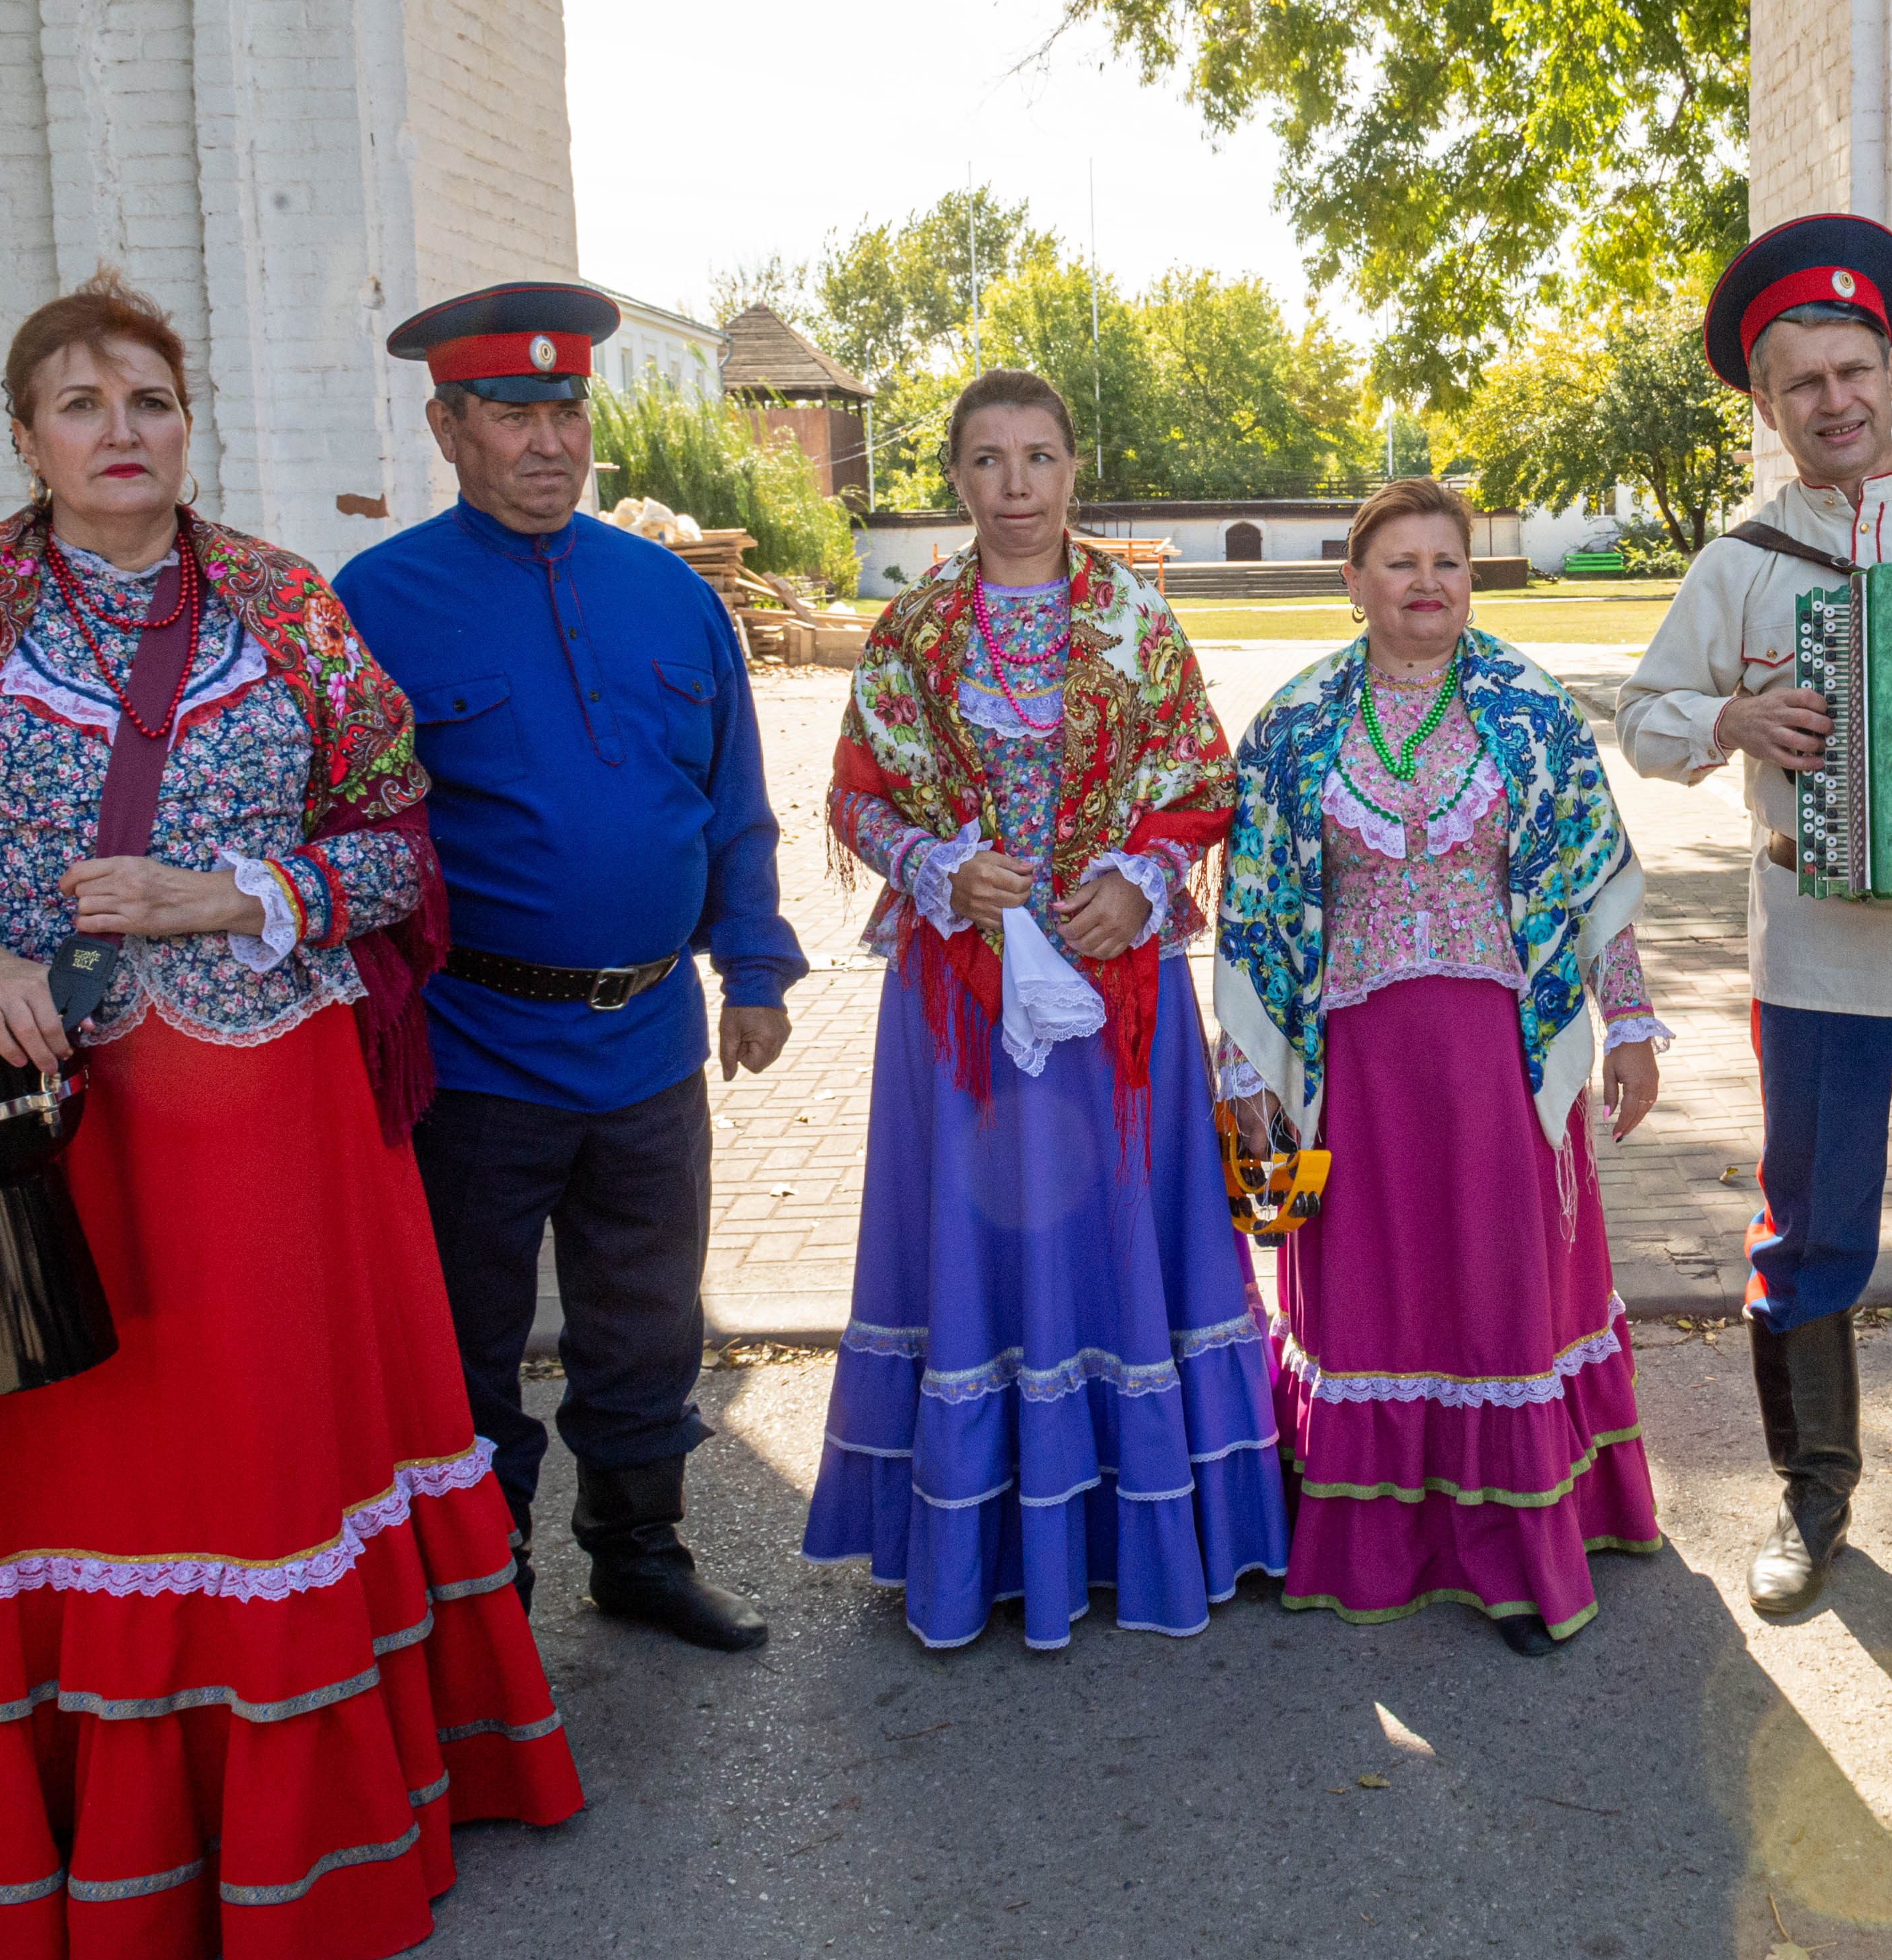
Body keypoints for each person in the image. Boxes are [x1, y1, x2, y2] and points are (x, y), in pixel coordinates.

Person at [0, 271, 582, 1960]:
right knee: (84, 1468)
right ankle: (92, 1869)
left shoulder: (289, 612)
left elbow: (396, 851)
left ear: (188, 421)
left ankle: (308, 1845)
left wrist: (224, 891)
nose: (120, 431)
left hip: (276, 1143)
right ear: (23, 439)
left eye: (147, 399)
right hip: (48, 1135)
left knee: (266, 1471)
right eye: (81, 405)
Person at [1614, 215, 1892, 1622]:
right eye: (1803, 381)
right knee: (1808, 1229)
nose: (1837, 400)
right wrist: (1731, 714)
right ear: (1767, 405)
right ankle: (1813, 1495)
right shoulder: (1743, 561)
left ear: (1889, 370)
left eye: (1855, 367)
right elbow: (1641, 717)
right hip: (1812, 956)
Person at [337, 283, 801, 1655]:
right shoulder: (378, 604)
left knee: (649, 1317)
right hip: (479, 1050)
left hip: (652, 1039)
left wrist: (757, 965)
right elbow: (353, 829)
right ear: (448, 424)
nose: (549, 441)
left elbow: (731, 794)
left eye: (566, 409)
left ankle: (639, 1551)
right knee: (475, 1343)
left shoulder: (667, 593)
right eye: (512, 413)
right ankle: (487, 1602)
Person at [802, 368, 1286, 1646]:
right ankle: (986, 1535)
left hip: (1113, 989)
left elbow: (1199, 779)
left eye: (1037, 458)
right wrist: (936, 868)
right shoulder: (911, 632)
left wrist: (1140, 882)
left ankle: (1147, 1523)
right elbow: (856, 793)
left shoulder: (1137, 620)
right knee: (973, 1246)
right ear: (954, 478)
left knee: (1123, 1236)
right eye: (985, 460)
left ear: (1074, 468)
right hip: (959, 1001)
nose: (1014, 485)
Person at [1215, 479, 1671, 1655]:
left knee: (1497, 1293)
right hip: (1350, 1072)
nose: (1426, 582)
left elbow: (1589, 887)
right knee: (1369, 1288)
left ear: (1472, 578)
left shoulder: (1533, 712)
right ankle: (1364, 1534)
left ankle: (1519, 1550)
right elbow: (1254, 911)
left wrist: (1624, 1024)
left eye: (1448, 563)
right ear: (1353, 579)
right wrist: (1242, 1077)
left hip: (1501, 1068)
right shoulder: (1292, 723)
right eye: (1399, 562)